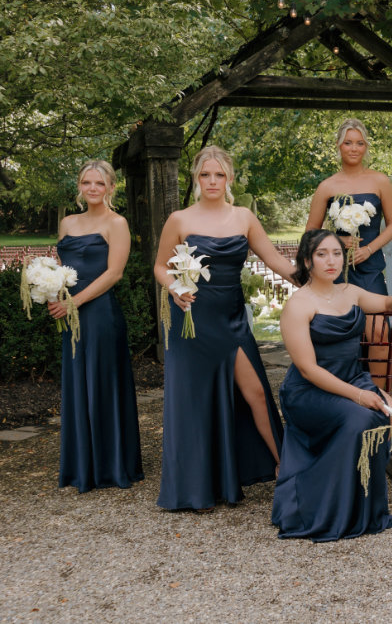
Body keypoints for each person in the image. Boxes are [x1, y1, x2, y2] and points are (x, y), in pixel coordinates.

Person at [154, 145, 294, 511]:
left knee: (256, 394)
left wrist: (318, 280)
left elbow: (276, 260)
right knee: (195, 403)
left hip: (232, 321)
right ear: (196, 179)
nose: (212, 181)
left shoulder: (244, 217)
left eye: (219, 174)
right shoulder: (179, 219)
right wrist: (174, 286)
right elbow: (159, 267)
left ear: (229, 178)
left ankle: (286, 466)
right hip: (192, 323)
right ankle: (197, 487)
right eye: (205, 175)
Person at [271, 229, 392, 541]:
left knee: (381, 415)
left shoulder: (351, 292)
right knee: (361, 417)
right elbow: (307, 370)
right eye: (321, 254)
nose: (331, 260)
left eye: (336, 253)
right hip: (309, 393)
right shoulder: (298, 305)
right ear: (307, 261)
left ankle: (364, 511)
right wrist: (362, 395)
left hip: (352, 381)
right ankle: (319, 509)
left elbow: (387, 301)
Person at [50, 161, 143, 492]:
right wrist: (52, 292)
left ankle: (110, 465)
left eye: (99, 183)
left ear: (110, 188)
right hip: (70, 315)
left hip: (101, 314)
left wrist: (75, 301)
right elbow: (63, 269)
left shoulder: (116, 223)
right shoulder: (67, 222)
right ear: (79, 185)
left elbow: (113, 273)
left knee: (103, 383)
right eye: (86, 182)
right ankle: (81, 466)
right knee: (78, 383)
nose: (92, 188)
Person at [305, 118, 392, 296]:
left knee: (379, 324)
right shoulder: (326, 186)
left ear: (366, 147)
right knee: (343, 322)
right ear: (339, 145)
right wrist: (337, 241)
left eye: (359, 143)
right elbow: (310, 232)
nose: (354, 149)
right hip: (336, 269)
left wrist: (369, 250)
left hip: (371, 267)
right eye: (348, 143)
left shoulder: (380, 181)